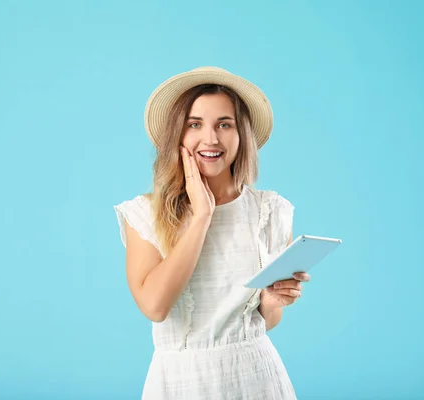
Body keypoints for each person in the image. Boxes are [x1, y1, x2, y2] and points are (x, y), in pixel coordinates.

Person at [113, 66, 310, 399]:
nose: (211, 139)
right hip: (180, 382)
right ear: (177, 135)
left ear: (241, 134)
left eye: (224, 124)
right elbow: (155, 307)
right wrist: (202, 215)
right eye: (195, 124)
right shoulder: (144, 214)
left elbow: (264, 321)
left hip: (257, 378)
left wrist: (271, 301)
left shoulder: (270, 211)